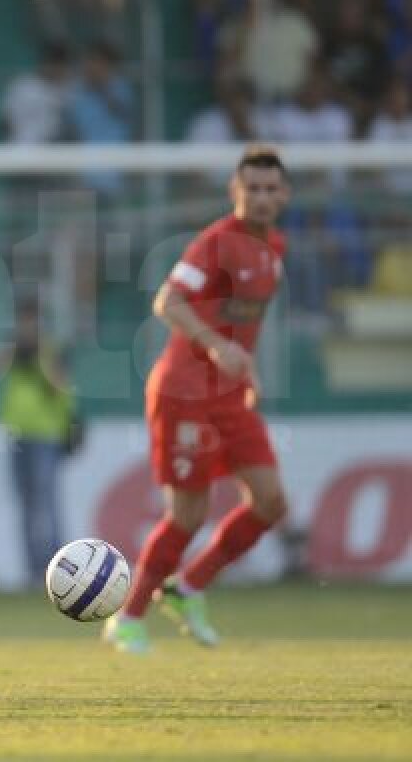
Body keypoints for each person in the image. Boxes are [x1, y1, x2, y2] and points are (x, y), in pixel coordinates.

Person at [103, 146, 290, 654]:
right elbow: (168, 302)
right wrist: (216, 346)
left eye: (270, 188)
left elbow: (243, 321)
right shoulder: (216, 243)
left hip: (230, 394)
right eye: (252, 188)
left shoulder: (275, 246)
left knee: (271, 502)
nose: (262, 197)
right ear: (235, 191)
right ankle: (129, 618)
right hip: (184, 392)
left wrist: (246, 366)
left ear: (284, 194)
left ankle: (187, 587)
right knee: (188, 514)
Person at [0, 299, 76, 579]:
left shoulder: (50, 349)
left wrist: (39, 356)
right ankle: (33, 570)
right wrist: (16, 350)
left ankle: (57, 566)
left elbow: (59, 385)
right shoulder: (14, 350)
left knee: (46, 501)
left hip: (45, 435)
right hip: (16, 434)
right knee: (26, 503)